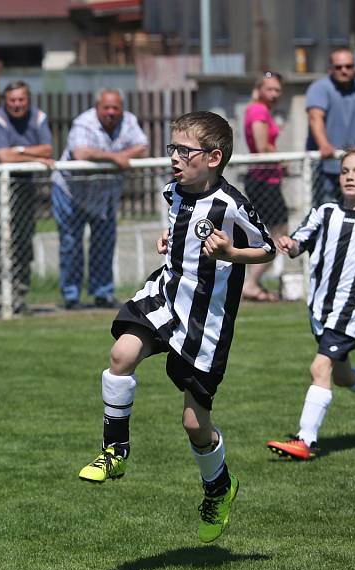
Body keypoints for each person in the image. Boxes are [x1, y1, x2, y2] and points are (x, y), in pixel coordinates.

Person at [77, 111, 275, 543]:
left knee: (193, 422)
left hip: (206, 318)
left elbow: (268, 249)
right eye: (173, 148)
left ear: (214, 157)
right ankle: (116, 450)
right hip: (165, 294)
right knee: (121, 355)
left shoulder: (232, 204)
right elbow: (180, 229)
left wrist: (232, 255)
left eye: (185, 151)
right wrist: (170, 241)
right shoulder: (174, 192)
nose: (174, 157)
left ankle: (218, 486)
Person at [267, 148, 355, 461]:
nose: (350, 177)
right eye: (346, 171)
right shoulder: (325, 212)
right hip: (321, 310)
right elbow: (299, 241)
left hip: (350, 313)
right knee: (344, 376)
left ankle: (306, 441)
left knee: (319, 367)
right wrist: (289, 245)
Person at [51, 89, 148, 310]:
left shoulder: (129, 121)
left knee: (104, 245)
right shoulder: (84, 124)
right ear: (97, 108)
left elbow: (142, 147)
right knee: (71, 244)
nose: (112, 112)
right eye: (107, 107)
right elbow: (80, 154)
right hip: (71, 193)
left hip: (105, 196)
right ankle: (71, 296)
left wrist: (121, 156)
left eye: (116, 108)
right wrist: (116, 157)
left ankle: (103, 293)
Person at [0, 80, 54, 316]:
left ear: (28, 100)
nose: (16, 104)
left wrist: (18, 152)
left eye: (21, 99)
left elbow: (48, 150)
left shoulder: (38, 117)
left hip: (24, 187)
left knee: (22, 243)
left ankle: (19, 298)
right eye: (12, 100)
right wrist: (29, 153)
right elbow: (3, 156)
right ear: (5, 101)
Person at [242, 72, 288, 302]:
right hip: (263, 179)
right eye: (269, 89)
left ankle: (253, 282)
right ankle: (250, 283)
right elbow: (261, 147)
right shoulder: (258, 110)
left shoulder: (260, 109)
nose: (274, 94)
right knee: (278, 232)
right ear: (259, 89)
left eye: (277, 90)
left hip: (267, 178)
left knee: (274, 231)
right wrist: (282, 159)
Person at [306, 48, 355, 207]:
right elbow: (315, 117)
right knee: (326, 211)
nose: (344, 70)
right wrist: (324, 144)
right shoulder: (320, 87)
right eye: (339, 67)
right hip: (327, 165)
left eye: (348, 66)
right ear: (330, 69)